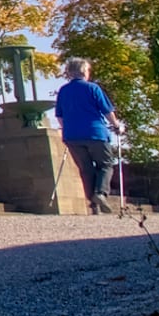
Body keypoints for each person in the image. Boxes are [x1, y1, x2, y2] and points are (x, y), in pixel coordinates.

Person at [55, 57, 126, 214]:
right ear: (84, 71)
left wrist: (67, 129)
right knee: (106, 164)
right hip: (95, 133)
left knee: (85, 169)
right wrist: (117, 125)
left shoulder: (63, 91)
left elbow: (59, 116)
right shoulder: (92, 88)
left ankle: (93, 205)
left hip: (72, 136)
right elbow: (107, 110)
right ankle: (100, 193)